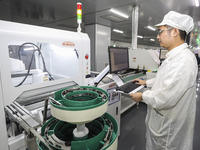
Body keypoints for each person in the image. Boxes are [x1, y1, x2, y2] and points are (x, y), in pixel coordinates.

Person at [130, 11, 198, 150]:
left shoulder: (183, 60)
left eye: (160, 32)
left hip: (168, 131)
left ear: (174, 32)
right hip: (163, 123)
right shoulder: (175, 56)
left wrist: (142, 96)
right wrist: (146, 83)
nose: (158, 36)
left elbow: (166, 97)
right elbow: (166, 80)